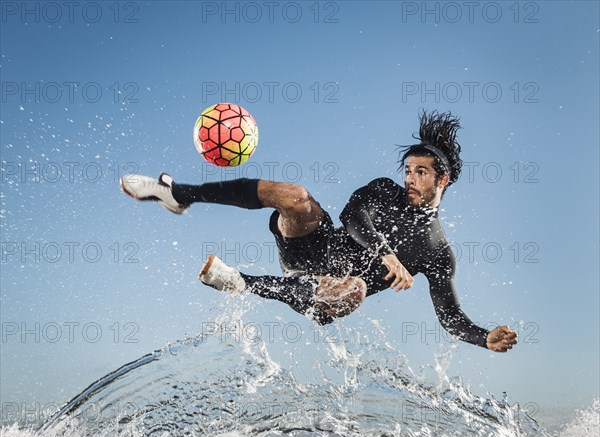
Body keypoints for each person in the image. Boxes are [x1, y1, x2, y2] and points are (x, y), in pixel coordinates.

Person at [120, 111, 517, 352]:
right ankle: (178, 194)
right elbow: (352, 214)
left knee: (356, 288)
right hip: (314, 247)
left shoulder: (436, 250)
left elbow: (449, 315)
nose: (410, 178)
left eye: (422, 172)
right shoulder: (383, 190)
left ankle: (240, 281)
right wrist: (385, 252)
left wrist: (483, 337)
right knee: (294, 196)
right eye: (409, 169)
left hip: (332, 293)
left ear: (442, 179)